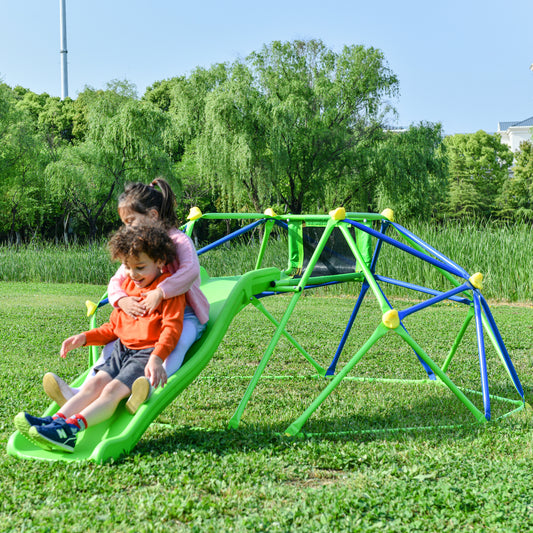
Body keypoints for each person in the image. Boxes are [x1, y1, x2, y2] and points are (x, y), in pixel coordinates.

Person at [14, 224, 186, 453]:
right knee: (93, 384)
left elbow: (172, 329)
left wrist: (157, 357)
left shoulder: (168, 292)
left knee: (111, 392)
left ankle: (69, 431)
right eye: (128, 267)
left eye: (140, 267)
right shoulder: (128, 287)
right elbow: (113, 328)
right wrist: (84, 338)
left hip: (144, 354)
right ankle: (55, 422)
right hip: (121, 350)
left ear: (160, 262)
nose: (133, 274)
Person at [43, 178, 210, 412]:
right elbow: (116, 280)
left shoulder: (178, 240)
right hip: (146, 318)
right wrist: (122, 299)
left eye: (131, 221)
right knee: (115, 343)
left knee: (179, 341)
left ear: (152, 215)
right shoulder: (138, 247)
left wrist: (161, 292)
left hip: (184, 314)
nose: (127, 228)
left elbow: (190, 271)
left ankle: (147, 387)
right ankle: (79, 392)